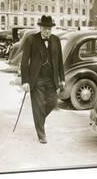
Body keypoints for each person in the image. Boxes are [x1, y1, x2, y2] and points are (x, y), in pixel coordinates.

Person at [21, 15, 65, 144]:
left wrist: (62, 78)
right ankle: (41, 134)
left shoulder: (56, 40)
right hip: (37, 79)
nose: (47, 31)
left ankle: (39, 119)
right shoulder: (31, 39)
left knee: (52, 103)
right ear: (40, 27)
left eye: (50, 29)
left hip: (51, 79)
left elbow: (60, 61)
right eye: (45, 28)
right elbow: (24, 62)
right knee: (38, 105)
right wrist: (25, 81)